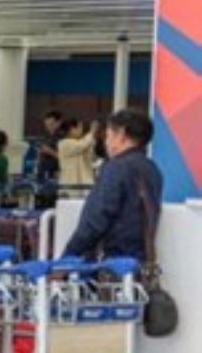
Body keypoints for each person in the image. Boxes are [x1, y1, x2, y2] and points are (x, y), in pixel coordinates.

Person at [62, 110, 161, 262]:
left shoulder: (116, 168)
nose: (106, 142)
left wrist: (68, 256)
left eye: (108, 136)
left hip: (110, 265)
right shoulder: (152, 170)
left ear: (121, 134)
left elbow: (95, 221)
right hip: (140, 263)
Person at [57, 118, 98, 190]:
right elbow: (82, 145)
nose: (82, 130)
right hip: (70, 183)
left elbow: (89, 151)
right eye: (80, 127)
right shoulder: (63, 143)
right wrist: (92, 132)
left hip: (83, 183)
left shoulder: (80, 141)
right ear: (72, 129)